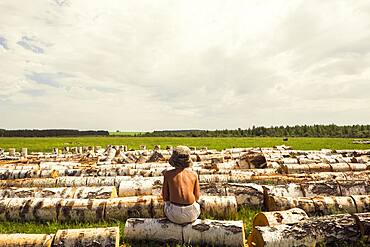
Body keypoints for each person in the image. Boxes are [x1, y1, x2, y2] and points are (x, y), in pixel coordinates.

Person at [162, 145, 201, 224]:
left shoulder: (168, 174)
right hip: (192, 214)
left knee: (166, 204)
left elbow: (165, 197)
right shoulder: (194, 174)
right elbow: (197, 197)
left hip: (174, 215)